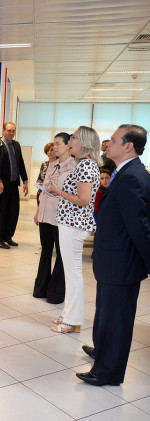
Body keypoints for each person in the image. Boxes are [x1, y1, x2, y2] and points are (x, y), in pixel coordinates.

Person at [77, 124, 150, 387]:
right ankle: (103, 353)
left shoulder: (133, 177)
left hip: (122, 263)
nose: (107, 144)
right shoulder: (125, 172)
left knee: (116, 320)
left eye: (114, 140)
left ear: (128, 146)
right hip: (113, 261)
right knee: (106, 315)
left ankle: (108, 372)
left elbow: (140, 227)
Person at [47, 126, 100, 334]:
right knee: (71, 273)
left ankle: (72, 320)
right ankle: (69, 315)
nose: (69, 142)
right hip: (71, 223)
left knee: (73, 274)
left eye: (73, 138)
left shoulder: (86, 166)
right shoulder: (84, 164)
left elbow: (83, 199)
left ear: (84, 143)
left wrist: (59, 192)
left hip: (74, 224)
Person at [32, 133, 75, 304]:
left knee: (61, 254)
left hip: (61, 216)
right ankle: (41, 288)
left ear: (68, 145)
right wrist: (38, 211)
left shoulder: (74, 166)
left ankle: (55, 292)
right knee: (46, 251)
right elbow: (44, 190)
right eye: (53, 144)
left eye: (58, 144)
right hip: (45, 213)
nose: (54, 147)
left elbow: (75, 195)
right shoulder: (52, 164)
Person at [0, 122, 29, 249]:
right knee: (1, 212)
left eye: (13, 131)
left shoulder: (16, 145)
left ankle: (7, 237)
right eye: (9, 130)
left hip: (14, 184)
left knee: (13, 212)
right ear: (3, 131)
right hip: (2, 185)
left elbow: (21, 163)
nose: (11, 133)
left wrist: (25, 181)